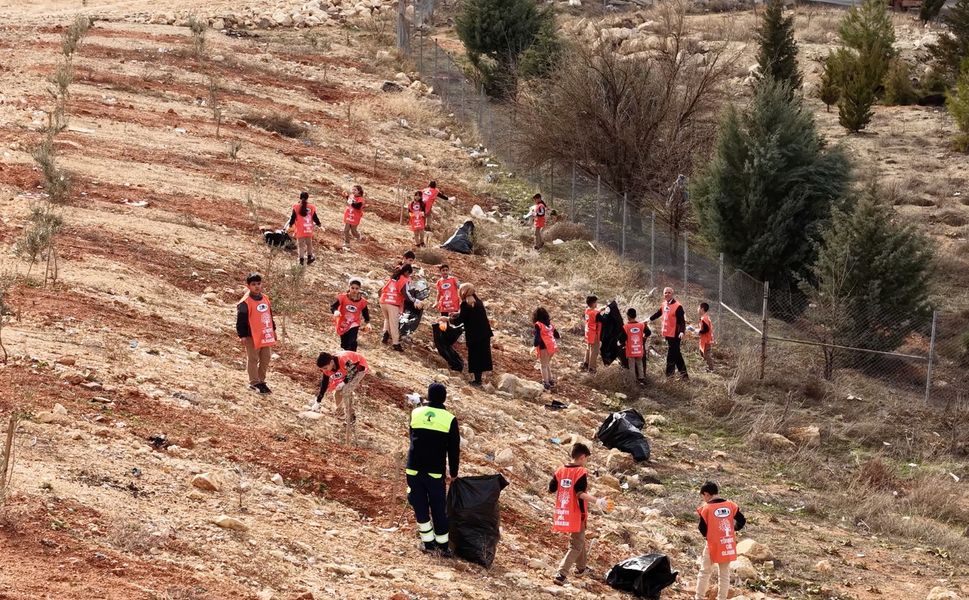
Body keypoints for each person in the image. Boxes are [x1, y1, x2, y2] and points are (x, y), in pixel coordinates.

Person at [407, 382, 460, 557]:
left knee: (419, 505)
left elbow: (411, 437)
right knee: (438, 507)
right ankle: (443, 547)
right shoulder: (449, 419)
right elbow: (453, 449)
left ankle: (428, 543)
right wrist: (453, 473)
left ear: (428, 396)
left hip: (413, 468)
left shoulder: (416, 413)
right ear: (444, 398)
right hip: (434, 471)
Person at [550, 443, 610, 587]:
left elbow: (551, 488)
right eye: (586, 459)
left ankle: (581, 568)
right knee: (576, 545)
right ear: (582, 457)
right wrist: (597, 501)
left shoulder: (560, 470)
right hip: (577, 513)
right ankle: (561, 574)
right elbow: (580, 493)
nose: (586, 462)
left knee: (579, 540)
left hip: (563, 513)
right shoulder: (581, 472)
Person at [695, 481, 746, 600]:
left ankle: (699, 597)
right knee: (724, 575)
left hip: (712, 544)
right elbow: (742, 520)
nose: (704, 499)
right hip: (727, 543)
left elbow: (701, 527)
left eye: (703, 496)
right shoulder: (731, 505)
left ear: (706, 494)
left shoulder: (706, 508)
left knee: (704, 572)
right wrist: (733, 529)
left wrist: (709, 537)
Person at [312, 350, 369, 444]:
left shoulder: (343, 359)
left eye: (326, 368)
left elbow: (354, 370)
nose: (325, 371)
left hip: (359, 368)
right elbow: (324, 384)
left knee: (346, 391)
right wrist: (318, 401)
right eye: (323, 369)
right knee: (337, 393)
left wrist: (343, 382)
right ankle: (343, 415)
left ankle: (351, 417)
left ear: (331, 362)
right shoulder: (326, 369)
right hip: (346, 372)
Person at [235, 273, 276, 395]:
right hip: (251, 335)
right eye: (253, 284)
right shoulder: (245, 302)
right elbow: (241, 320)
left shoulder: (265, 298)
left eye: (258, 284)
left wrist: (273, 330)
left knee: (266, 357)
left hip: (265, 334)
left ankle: (261, 381)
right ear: (248, 286)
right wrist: (242, 335)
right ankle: (253, 382)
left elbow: (269, 315)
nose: (257, 286)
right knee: (253, 358)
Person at [449, 283, 493, 386]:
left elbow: (459, 321)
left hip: (475, 335)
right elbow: (468, 315)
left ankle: (477, 381)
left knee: (475, 357)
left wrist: (449, 319)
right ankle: (479, 379)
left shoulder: (465, 304)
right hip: (484, 334)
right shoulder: (477, 301)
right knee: (481, 356)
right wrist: (458, 314)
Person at [649, 287, 688, 380]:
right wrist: (648, 320)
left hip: (676, 335)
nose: (667, 294)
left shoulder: (678, 306)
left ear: (672, 294)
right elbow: (658, 314)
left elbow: (682, 321)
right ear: (663, 294)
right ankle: (684, 376)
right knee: (677, 355)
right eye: (665, 293)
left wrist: (682, 331)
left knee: (671, 356)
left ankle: (669, 377)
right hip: (668, 335)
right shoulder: (663, 304)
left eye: (669, 293)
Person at [380, 264, 414, 352]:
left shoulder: (393, 278)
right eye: (409, 274)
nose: (409, 276)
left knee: (387, 320)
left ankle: (385, 335)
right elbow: (406, 294)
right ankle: (396, 344)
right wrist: (415, 301)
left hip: (383, 301)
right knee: (394, 324)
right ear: (407, 272)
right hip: (393, 303)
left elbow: (382, 289)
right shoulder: (403, 280)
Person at [330, 279, 371, 352]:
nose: (354, 290)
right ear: (349, 287)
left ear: (359, 289)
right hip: (343, 322)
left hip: (354, 323)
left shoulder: (362, 301)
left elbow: (365, 312)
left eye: (356, 288)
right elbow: (333, 306)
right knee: (344, 342)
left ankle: (352, 356)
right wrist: (335, 311)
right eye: (352, 288)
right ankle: (345, 356)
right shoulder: (342, 297)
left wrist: (367, 323)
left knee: (352, 340)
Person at [287, 191, 321, 265]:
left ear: (300, 197)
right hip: (308, 229)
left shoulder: (296, 207)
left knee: (300, 245)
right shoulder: (311, 207)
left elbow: (293, 217)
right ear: (307, 198)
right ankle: (309, 257)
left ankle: (301, 260)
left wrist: (290, 224)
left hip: (300, 229)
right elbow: (315, 217)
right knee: (309, 244)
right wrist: (319, 224)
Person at [620, 308, 650, 385]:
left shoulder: (625, 327)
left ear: (628, 316)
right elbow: (648, 332)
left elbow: (622, 338)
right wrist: (643, 338)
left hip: (630, 351)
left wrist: (622, 344)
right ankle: (641, 379)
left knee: (632, 366)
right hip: (639, 350)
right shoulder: (641, 325)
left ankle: (633, 382)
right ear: (635, 315)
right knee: (640, 364)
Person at [533, 306, 560, 391]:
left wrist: (535, 344)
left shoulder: (538, 324)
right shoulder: (550, 324)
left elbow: (537, 337)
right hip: (552, 346)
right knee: (547, 363)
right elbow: (557, 335)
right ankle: (550, 380)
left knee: (543, 365)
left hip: (544, 346)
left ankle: (546, 382)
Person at [580, 295, 605, 374]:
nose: (597, 304)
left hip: (588, 333)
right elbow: (603, 319)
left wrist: (600, 310)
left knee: (588, 348)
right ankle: (592, 368)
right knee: (594, 351)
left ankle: (586, 363)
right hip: (594, 334)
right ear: (593, 303)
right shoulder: (595, 313)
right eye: (596, 302)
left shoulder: (587, 310)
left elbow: (595, 313)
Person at [343, 185, 366, 250]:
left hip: (355, 217)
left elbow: (357, 207)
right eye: (352, 190)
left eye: (355, 190)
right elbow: (349, 200)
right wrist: (346, 196)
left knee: (353, 231)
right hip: (349, 215)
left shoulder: (360, 199)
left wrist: (352, 202)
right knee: (346, 230)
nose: (353, 191)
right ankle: (347, 243)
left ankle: (359, 236)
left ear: (359, 191)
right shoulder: (351, 196)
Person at [694, 302, 715, 372]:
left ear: (702, 309)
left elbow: (706, 329)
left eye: (698, 308)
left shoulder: (704, 319)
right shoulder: (705, 317)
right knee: (702, 353)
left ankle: (711, 369)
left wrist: (699, 331)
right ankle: (708, 366)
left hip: (706, 340)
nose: (697, 309)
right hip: (704, 339)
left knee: (706, 355)